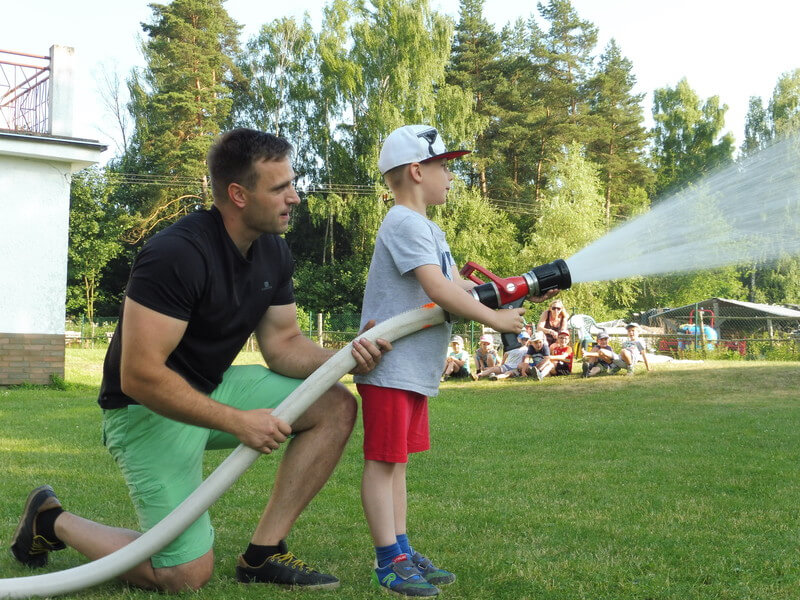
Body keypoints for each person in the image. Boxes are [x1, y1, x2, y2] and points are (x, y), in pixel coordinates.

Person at [9, 129, 391, 593]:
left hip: (212, 387)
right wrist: (237, 422)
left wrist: (345, 357)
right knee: (184, 575)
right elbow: (139, 376)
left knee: (333, 404)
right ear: (238, 195)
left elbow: (284, 344)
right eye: (279, 188)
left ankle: (263, 554)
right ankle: (51, 521)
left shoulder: (273, 249)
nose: (294, 197)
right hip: (144, 409)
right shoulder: (176, 254)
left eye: (292, 184)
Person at [354, 124, 556, 596]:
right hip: (390, 367)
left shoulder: (426, 227)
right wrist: (496, 319)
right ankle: (388, 561)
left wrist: (509, 291)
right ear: (416, 171)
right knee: (383, 463)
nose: (450, 176)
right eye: (444, 167)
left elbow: (457, 285)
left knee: (397, 464)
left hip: (411, 369)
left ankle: (402, 549)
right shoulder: (404, 222)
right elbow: (439, 290)